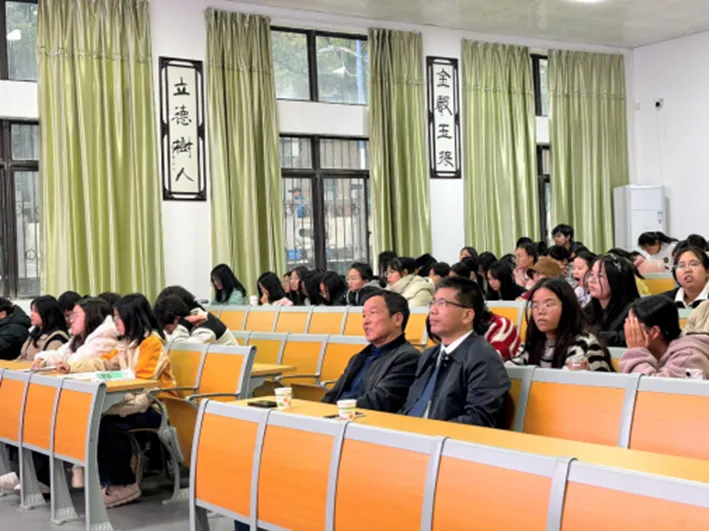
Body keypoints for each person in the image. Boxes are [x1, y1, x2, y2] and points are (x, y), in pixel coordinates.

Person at [57, 294, 176, 508]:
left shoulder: (152, 344)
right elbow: (103, 363)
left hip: (154, 406)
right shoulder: (125, 343)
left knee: (108, 425)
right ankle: (108, 482)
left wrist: (117, 403)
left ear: (132, 318)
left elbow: (144, 385)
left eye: (118, 317)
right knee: (97, 421)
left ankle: (124, 484)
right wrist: (72, 367)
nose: (115, 322)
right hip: (130, 401)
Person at [401, 277, 510, 427]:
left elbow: (478, 420)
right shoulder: (429, 355)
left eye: (442, 303)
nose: (432, 310)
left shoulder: (484, 358)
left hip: (442, 438)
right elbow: (410, 406)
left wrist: (428, 431)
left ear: (467, 315)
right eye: (433, 302)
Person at [322, 292, 418, 412]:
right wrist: (321, 411)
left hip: (361, 418)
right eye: (364, 315)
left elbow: (379, 401)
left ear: (397, 319)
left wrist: (338, 411)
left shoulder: (408, 358)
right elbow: (334, 393)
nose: (366, 321)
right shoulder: (359, 357)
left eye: (373, 313)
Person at [508, 278, 611, 371]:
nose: (540, 311)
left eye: (548, 304)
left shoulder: (584, 343)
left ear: (567, 307)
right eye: (535, 305)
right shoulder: (531, 344)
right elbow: (511, 370)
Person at [621, 295, 709, 378]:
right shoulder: (656, 354)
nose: (628, 332)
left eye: (633, 327)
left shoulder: (688, 357)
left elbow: (654, 387)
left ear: (655, 332)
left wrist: (636, 353)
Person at [31, 297, 118, 369]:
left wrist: (61, 363)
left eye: (76, 316)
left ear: (91, 318)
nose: (71, 320)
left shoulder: (104, 339)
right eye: (71, 315)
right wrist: (42, 359)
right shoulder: (78, 337)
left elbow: (76, 362)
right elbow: (60, 354)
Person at [584, 255, 640, 347]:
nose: (591, 280)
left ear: (616, 280)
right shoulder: (589, 309)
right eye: (592, 274)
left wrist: (594, 335)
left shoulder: (634, 311)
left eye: (600, 276)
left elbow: (627, 338)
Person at [154, 294, 238, 346]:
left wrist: (182, 326)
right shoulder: (191, 321)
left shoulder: (206, 330)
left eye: (168, 328)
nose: (168, 333)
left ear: (178, 319)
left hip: (233, 367)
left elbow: (181, 350)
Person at [17, 296, 69, 361]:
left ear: (47, 314)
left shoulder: (56, 338)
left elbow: (46, 363)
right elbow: (22, 356)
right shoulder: (35, 332)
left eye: (36, 311)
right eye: (32, 310)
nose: (31, 314)